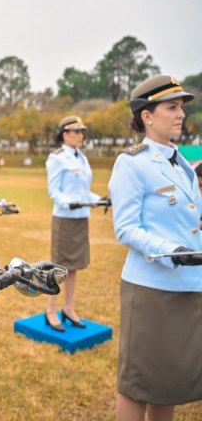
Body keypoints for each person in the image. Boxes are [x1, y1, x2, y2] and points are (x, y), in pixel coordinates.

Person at [108, 75, 202, 421]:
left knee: (169, 381)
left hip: (188, 286)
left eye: (181, 108)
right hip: (151, 288)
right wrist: (174, 251)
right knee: (138, 384)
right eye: (171, 107)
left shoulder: (183, 165)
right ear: (147, 115)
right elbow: (127, 229)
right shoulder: (132, 163)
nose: (181, 115)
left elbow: (194, 219)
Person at [45, 115, 106, 331]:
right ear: (65, 134)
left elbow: (83, 191)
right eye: (77, 131)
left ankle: (68, 308)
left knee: (75, 267)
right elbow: (54, 191)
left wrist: (99, 199)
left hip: (81, 219)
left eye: (82, 132)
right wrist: (70, 203)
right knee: (59, 267)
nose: (81, 135)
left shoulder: (82, 157)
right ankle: (51, 310)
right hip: (65, 219)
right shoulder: (57, 158)